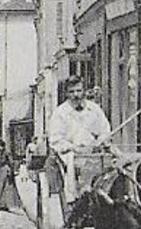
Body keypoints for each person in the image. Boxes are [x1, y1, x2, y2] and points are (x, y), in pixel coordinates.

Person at [45, 76, 114, 204]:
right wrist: (73, 147)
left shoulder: (94, 110)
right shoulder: (60, 113)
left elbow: (105, 130)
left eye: (78, 90)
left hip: (94, 151)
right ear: (66, 93)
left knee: (112, 164)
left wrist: (100, 141)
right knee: (74, 163)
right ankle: (74, 197)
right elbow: (56, 140)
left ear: (83, 91)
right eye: (72, 92)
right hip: (71, 153)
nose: (76, 95)